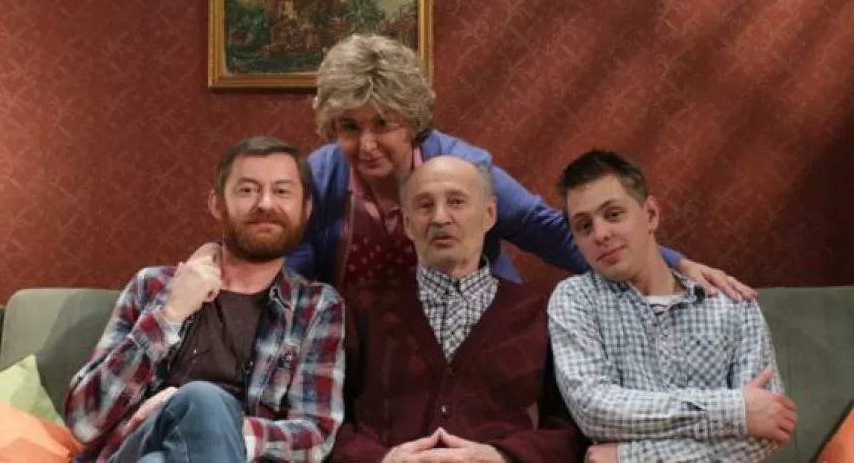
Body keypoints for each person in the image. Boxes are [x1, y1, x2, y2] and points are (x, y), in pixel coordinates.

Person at [283, 33, 751, 300]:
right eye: (349, 127)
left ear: (411, 120)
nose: (366, 144)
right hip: (356, 346)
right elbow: (294, 279)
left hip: (476, 335)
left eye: (383, 124)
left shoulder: (465, 167)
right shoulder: (319, 177)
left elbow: (548, 230)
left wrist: (672, 264)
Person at [65, 137, 346, 463]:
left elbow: (316, 436)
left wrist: (207, 419)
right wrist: (170, 315)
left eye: (282, 191)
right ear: (217, 204)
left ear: (306, 209)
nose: (265, 203)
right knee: (200, 401)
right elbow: (84, 420)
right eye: (247, 190)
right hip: (135, 447)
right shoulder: (153, 286)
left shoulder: (317, 308)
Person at [331, 156, 586, 462]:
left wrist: (503, 456)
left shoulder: (538, 314)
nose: (440, 218)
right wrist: (382, 459)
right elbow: (327, 419)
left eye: (456, 201)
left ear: (489, 214)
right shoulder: (360, 309)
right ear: (408, 224)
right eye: (425, 205)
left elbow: (569, 428)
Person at [547, 149, 797, 462]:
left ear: (651, 214)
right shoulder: (575, 300)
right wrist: (734, 410)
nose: (600, 234)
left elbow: (768, 429)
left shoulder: (731, 304)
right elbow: (594, 410)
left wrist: (630, 458)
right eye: (584, 226)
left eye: (613, 214)